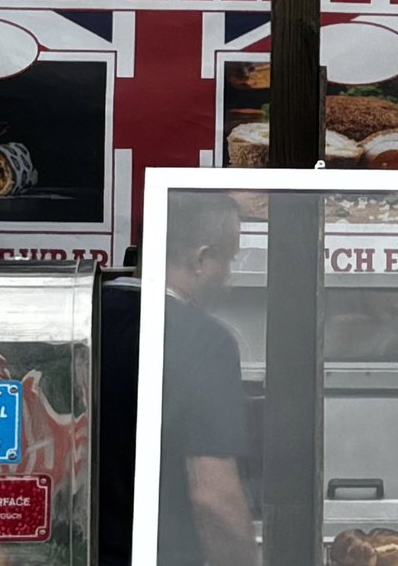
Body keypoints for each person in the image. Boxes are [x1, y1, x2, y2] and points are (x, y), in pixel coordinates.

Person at [99, 192, 258, 566]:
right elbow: (213, 499)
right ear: (202, 258)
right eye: (228, 259)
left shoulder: (85, 317)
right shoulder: (203, 339)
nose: (229, 275)